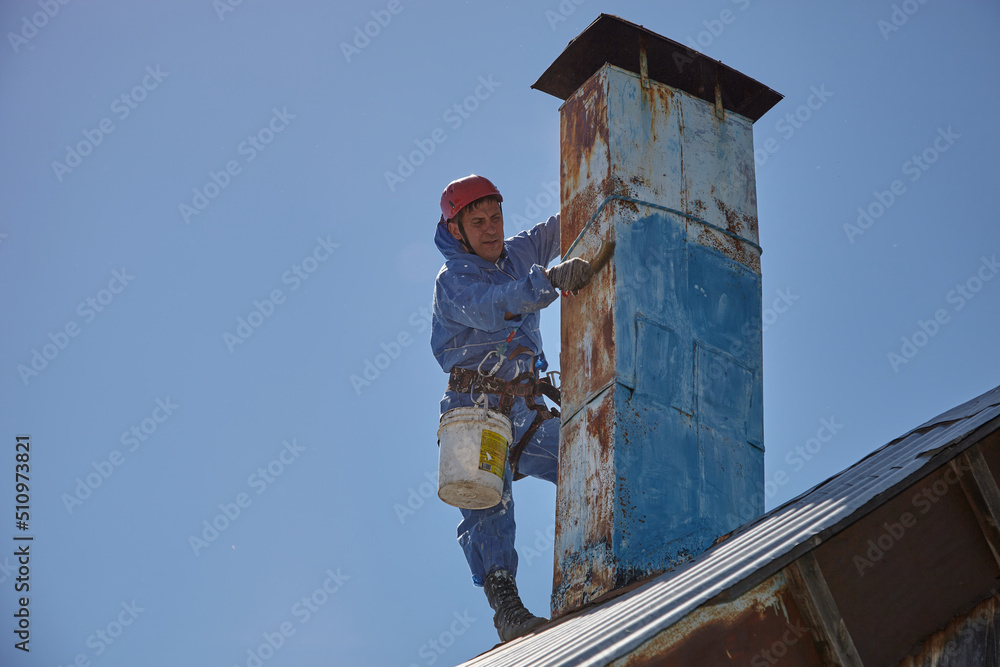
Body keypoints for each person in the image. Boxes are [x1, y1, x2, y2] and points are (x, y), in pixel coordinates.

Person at [430, 174, 593, 642]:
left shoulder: (516, 254)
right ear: (456, 230)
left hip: (524, 409)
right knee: (486, 499)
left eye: (496, 217)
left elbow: (562, 225)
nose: (490, 229)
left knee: (585, 456)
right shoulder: (455, 280)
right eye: (477, 222)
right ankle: (507, 609)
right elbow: (496, 303)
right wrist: (551, 280)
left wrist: (612, 184)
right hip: (474, 410)